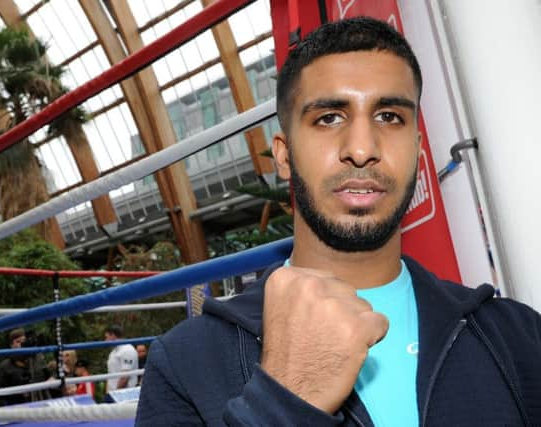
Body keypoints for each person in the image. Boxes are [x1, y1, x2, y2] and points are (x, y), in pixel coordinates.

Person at [136, 17, 541, 426]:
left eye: (389, 117)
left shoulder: (516, 334)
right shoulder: (187, 362)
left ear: (418, 150)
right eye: (329, 117)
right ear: (283, 155)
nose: (362, 149)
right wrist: (284, 402)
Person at [0, 328, 50, 406]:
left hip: (41, 404)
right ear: (12, 345)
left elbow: (49, 377)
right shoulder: (4, 367)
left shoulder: (38, 358)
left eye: (23, 341)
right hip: (17, 407)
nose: (22, 344)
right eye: (18, 342)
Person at [104, 325, 138, 391]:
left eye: (106, 337)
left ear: (113, 336)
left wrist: (116, 392)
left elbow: (125, 377)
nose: (105, 341)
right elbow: (110, 374)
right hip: (113, 394)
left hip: (124, 394)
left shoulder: (127, 350)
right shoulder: (113, 352)